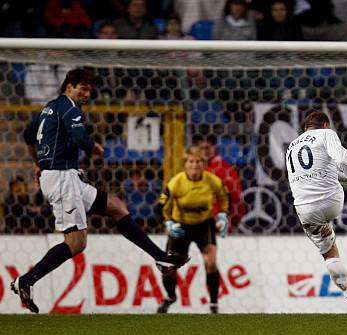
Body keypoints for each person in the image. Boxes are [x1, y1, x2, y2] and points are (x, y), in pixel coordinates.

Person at [11, 68, 187, 313]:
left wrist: (38, 163)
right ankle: (26, 281)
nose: (86, 93)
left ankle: (160, 257)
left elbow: (28, 134)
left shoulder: (48, 108)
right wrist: (93, 146)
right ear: (68, 87)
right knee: (76, 243)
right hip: (62, 178)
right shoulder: (70, 107)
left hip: (65, 177)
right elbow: (79, 136)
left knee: (116, 206)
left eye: (89, 89)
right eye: (82, 88)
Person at [286, 111, 347, 317]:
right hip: (331, 201)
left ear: (305, 128)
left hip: (305, 208)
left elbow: (318, 175)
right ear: (325, 124)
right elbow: (342, 158)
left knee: (329, 254)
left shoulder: (291, 147)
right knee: (338, 158)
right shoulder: (327, 134)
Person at [157, 146, 230, 314]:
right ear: (185, 164)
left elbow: (225, 196)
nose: (195, 165)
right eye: (191, 161)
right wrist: (167, 223)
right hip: (180, 226)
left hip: (204, 225)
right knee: (168, 268)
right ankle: (170, 297)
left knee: (210, 262)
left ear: (204, 164)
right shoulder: (176, 182)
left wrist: (223, 215)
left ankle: (213, 304)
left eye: (198, 161)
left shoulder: (212, 180)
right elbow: (160, 206)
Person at [194, 134, 245, 231]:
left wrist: (232, 223)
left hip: (217, 226)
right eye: (201, 148)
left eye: (207, 147)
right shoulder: (193, 170)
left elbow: (237, 201)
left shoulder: (226, 171)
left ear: (215, 147)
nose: (204, 151)